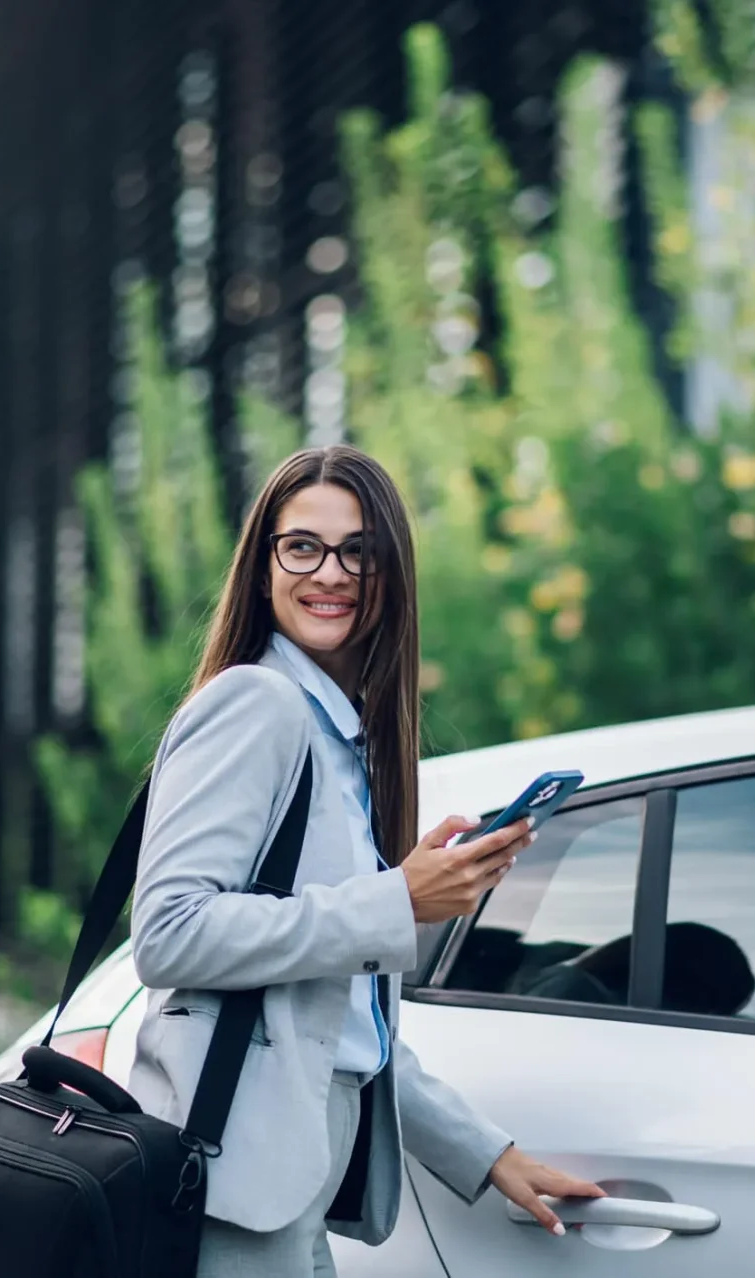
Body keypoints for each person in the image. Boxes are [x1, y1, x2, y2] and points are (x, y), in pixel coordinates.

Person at [129, 445, 603, 1276]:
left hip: (296, 1173)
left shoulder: (342, 743)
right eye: (302, 546)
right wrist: (396, 901)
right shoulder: (256, 704)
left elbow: (346, 1026)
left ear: (390, 574)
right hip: (232, 1173)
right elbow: (167, 932)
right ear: (264, 563)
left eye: (360, 551)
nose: (332, 573)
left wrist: (486, 1155)